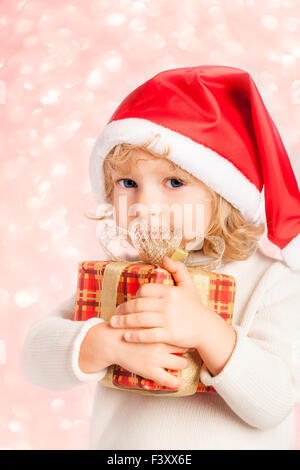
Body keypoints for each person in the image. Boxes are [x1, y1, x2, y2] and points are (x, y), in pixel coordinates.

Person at [21, 65, 300, 450]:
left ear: (224, 192)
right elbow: (34, 357)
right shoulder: (123, 277)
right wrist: (106, 344)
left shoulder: (271, 282)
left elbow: (275, 403)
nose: (145, 205)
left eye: (174, 182)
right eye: (128, 183)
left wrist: (206, 330)